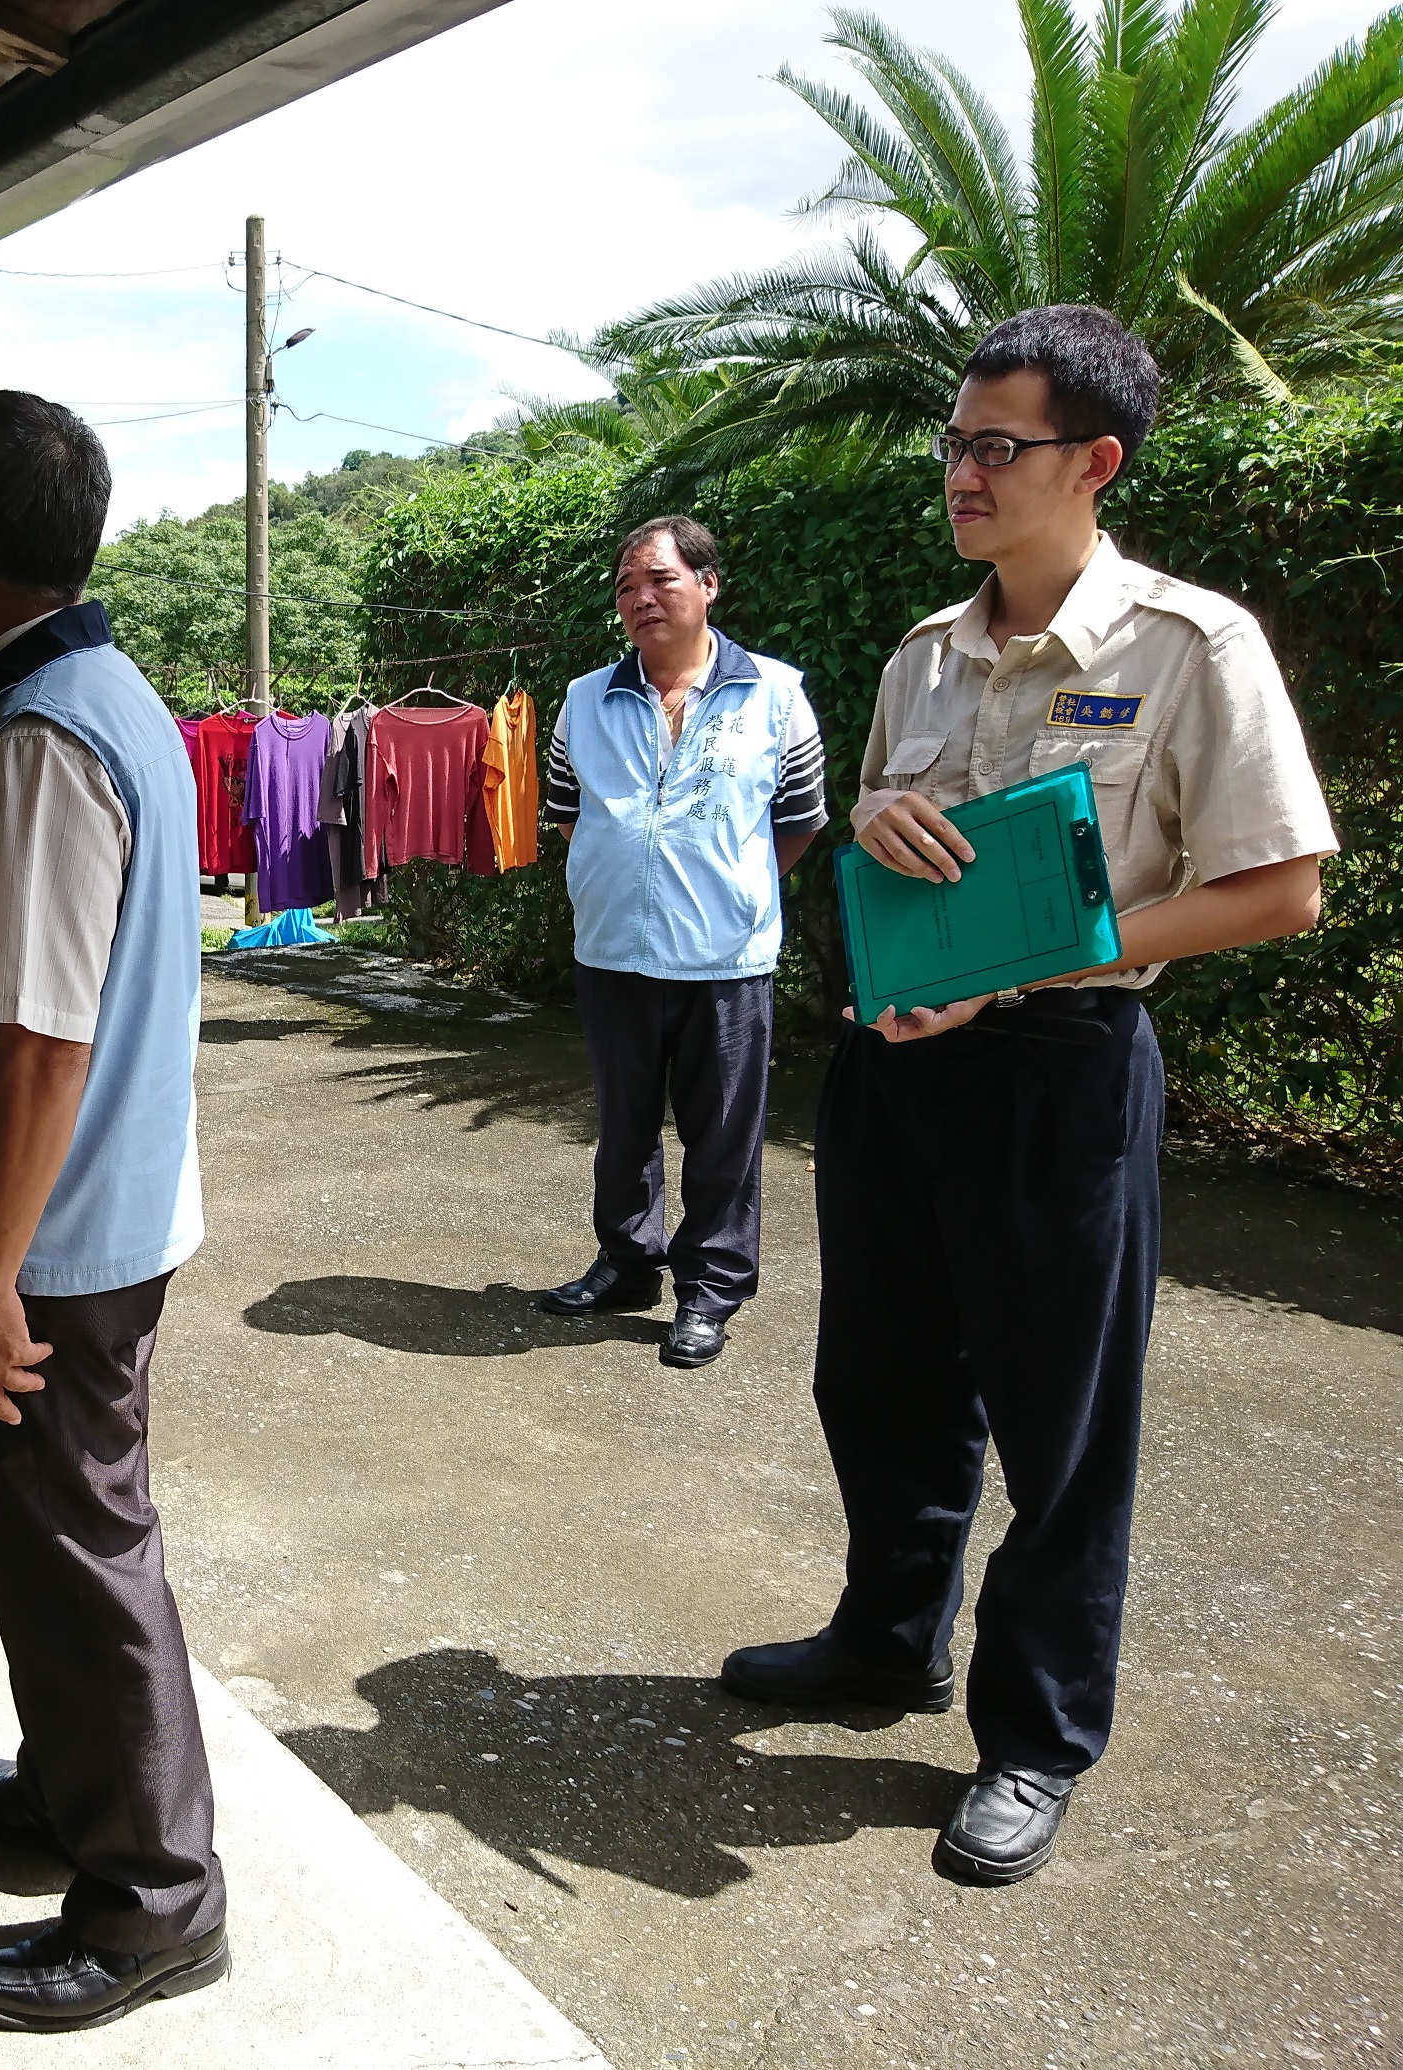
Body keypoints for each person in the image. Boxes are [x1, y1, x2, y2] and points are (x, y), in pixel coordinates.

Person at [722, 306, 1337, 1885]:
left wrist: (1042, 955)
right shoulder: (925, 651)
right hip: (896, 1066)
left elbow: (1278, 888)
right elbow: (876, 819)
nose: (963, 472)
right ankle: (884, 1642)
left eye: (1000, 445)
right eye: (954, 443)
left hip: (1063, 1073)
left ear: (1097, 461)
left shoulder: (1191, 647)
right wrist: (873, 827)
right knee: (878, 1377)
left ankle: (1037, 1734)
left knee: (1067, 1422)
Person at [0, 391, 227, 2034]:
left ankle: (154, 1894)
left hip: (51, 1246)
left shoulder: (35, 739)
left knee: (83, 1547)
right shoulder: (95, 691)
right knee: (52, 1533)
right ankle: (82, 1784)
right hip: (91, 1222)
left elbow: (43, 1040)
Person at [535, 518, 829, 1368]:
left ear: (708, 585)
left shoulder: (773, 695)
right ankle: (627, 1265)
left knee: (723, 1137)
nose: (640, 599)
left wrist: (725, 891)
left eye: (659, 580)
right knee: (624, 1130)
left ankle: (709, 1291)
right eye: (627, 587)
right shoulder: (585, 699)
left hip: (727, 962)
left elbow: (799, 821)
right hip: (613, 955)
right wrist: (624, 882)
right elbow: (567, 815)